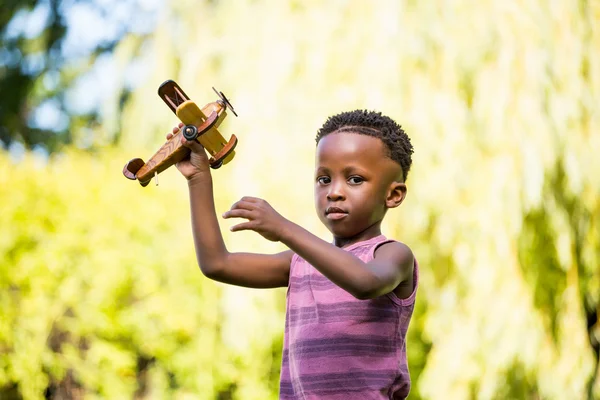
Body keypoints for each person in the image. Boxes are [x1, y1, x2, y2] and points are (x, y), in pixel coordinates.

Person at [167, 109, 418, 399]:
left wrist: (284, 228)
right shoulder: (299, 262)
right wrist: (198, 178)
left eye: (355, 179)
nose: (334, 192)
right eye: (324, 179)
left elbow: (365, 283)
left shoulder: (394, 255)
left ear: (393, 195)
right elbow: (217, 264)